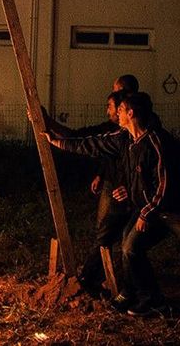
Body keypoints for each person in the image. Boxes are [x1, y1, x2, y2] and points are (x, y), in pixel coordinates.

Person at [44, 92, 180, 334]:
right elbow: (91, 143)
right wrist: (57, 142)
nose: (116, 113)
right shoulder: (124, 139)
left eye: (120, 110)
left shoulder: (158, 142)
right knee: (130, 248)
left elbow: (164, 185)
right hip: (149, 210)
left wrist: (145, 212)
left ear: (131, 113)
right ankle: (150, 297)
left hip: (177, 213)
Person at [44, 90, 131, 296]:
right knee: (117, 236)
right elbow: (88, 143)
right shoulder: (118, 134)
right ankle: (111, 278)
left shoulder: (136, 136)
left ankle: (91, 279)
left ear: (126, 109)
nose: (110, 111)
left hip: (129, 196)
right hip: (118, 188)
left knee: (112, 235)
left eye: (113, 106)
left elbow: (83, 139)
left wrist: (131, 187)